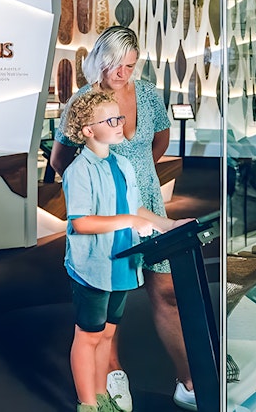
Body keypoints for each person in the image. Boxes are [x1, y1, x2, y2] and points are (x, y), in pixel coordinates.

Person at [50, 26, 195, 411]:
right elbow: (61, 160)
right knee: (109, 294)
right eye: (117, 65)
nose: (124, 73)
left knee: (166, 290)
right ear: (100, 60)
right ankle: (107, 380)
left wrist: (139, 172)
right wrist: (91, 186)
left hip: (141, 198)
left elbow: (159, 139)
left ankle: (190, 378)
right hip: (106, 214)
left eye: (130, 66)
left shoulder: (146, 93)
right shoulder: (83, 102)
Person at [61, 87, 181, 412]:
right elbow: (81, 223)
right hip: (93, 267)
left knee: (106, 336)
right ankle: (87, 404)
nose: (120, 123)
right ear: (88, 130)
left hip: (123, 266)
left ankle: (101, 396)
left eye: (120, 116)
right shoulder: (79, 171)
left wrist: (166, 225)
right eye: (111, 119)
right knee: (88, 336)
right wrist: (128, 220)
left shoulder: (124, 165)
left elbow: (137, 207)